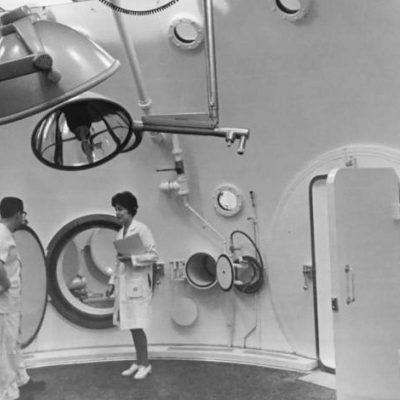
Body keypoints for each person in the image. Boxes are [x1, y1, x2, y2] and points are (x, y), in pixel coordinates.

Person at [107, 191, 158, 380]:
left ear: (130, 210)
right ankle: (139, 361)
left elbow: (154, 255)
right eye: (115, 209)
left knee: (137, 325)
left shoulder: (142, 229)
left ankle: (146, 364)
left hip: (137, 284)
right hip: (125, 283)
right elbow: (117, 261)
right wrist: (112, 282)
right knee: (131, 324)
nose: (117, 213)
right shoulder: (121, 233)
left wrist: (133, 259)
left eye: (120, 209)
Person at [0, 197, 43, 400]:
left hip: (11, 301)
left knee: (14, 341)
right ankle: (7, 391)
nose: (24, 218)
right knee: (6, 345)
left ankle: (21, 379)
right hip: (5, 301)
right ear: (18, 213)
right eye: (23, 214)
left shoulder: (6, 233)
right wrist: (7, 285)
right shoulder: (1, 234)